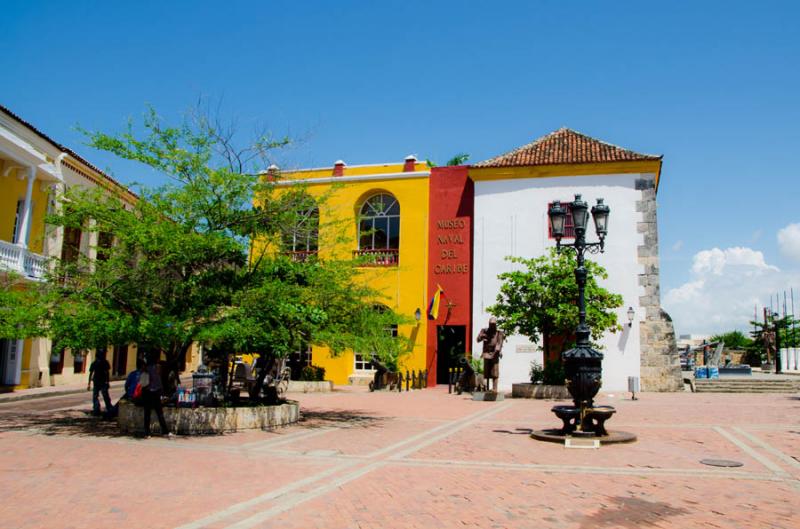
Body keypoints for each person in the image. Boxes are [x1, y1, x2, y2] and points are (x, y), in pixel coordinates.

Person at [142, 354, 171, 438]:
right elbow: (159, 380)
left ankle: (147, 432)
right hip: (156, 392)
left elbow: (143, 383)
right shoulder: (158, 367)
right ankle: (165, 431)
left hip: (147, 392)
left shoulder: (145, 368)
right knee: (159, 412)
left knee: (147, 413)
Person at [477, 317, 505, 392]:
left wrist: (495, 353)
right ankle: (483, 387)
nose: (492, 326)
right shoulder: (484, 331)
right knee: (485, 372)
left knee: (495, 372)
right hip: (486, 353)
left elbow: (499, 344)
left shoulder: (499, 333)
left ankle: (495, 389)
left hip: (495, 354)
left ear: (496, 325)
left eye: (493, 324)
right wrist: (482, 336)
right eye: (491, 324)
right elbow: (478, 339)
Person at [87, 349, 113, 417]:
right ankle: (108, 408)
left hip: (98, 381)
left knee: (96, 396)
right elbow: (107, 373)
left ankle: (97, 409)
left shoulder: (95, 363)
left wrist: (89, 383)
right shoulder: (104, 362)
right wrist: (107, 382)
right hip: (101, 381)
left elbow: (91, 374)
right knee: (104, 395)